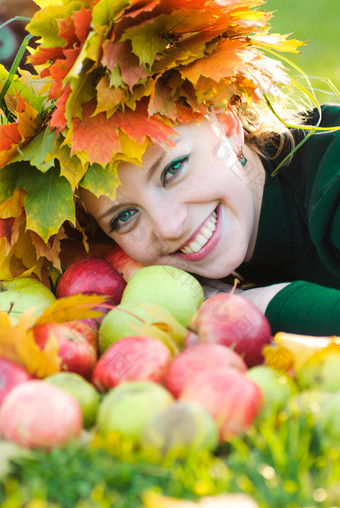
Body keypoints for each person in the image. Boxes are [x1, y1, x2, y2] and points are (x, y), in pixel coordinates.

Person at [1, 0, 339, 336]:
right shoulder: (162, 290)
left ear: (226, 124)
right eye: (124, 217)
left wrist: (265, 304)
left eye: (173, 169)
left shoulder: (332, 172)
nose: (169, 226)